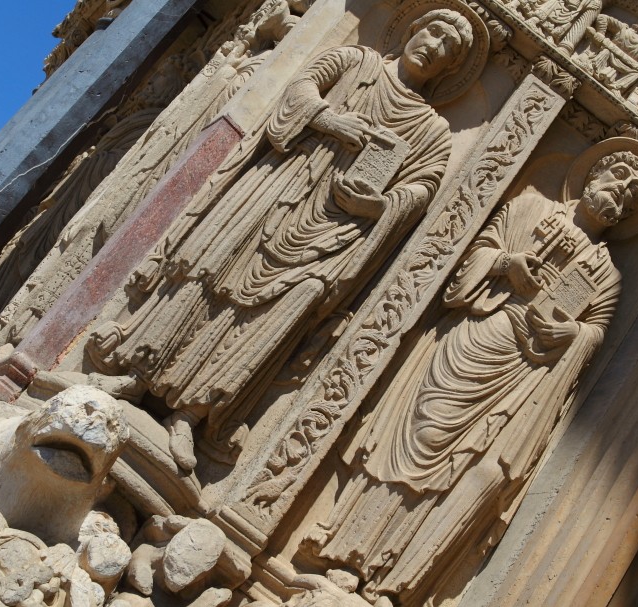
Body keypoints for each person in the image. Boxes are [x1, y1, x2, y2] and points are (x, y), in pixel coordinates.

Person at [89, 4, 486, 471]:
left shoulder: (432, 130)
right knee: (212, 267)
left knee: (279, 310)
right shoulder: (357, 62)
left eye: (448, 48)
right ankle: (137, 373)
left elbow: (422, 188)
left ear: (451, 67)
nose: (434, 46)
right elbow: (300, 86)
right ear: (414, 29)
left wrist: (377, 206)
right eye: (434, 32)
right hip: (280, 182)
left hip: (336, 229)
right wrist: (328, 119)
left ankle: (191, 412)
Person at [307, 138, 638, 604]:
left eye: (633, 195)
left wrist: (570, 335)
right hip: (477, 335)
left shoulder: (607, 274)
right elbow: (468, 257)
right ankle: (342, 549)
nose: (621, 194)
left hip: (520, 372)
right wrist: (506, 264)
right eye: (619, 179)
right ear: (592, 174)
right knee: (417, 433)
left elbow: (592, 335)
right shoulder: (529, 209)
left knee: (465, 467)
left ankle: (384, 571)